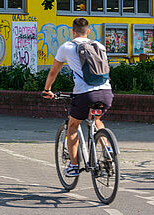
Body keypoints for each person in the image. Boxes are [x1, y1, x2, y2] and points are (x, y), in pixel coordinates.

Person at [42, 17, 113, 177]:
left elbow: (53, 72)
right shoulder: (99, 45)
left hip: (85, 94)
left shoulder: (67, 47)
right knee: (96, 120)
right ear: (88, 31)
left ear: (73, 31)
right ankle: (107, 148)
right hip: (106, 92)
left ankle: (74, 166)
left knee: (73, 126)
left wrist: (47, 89)